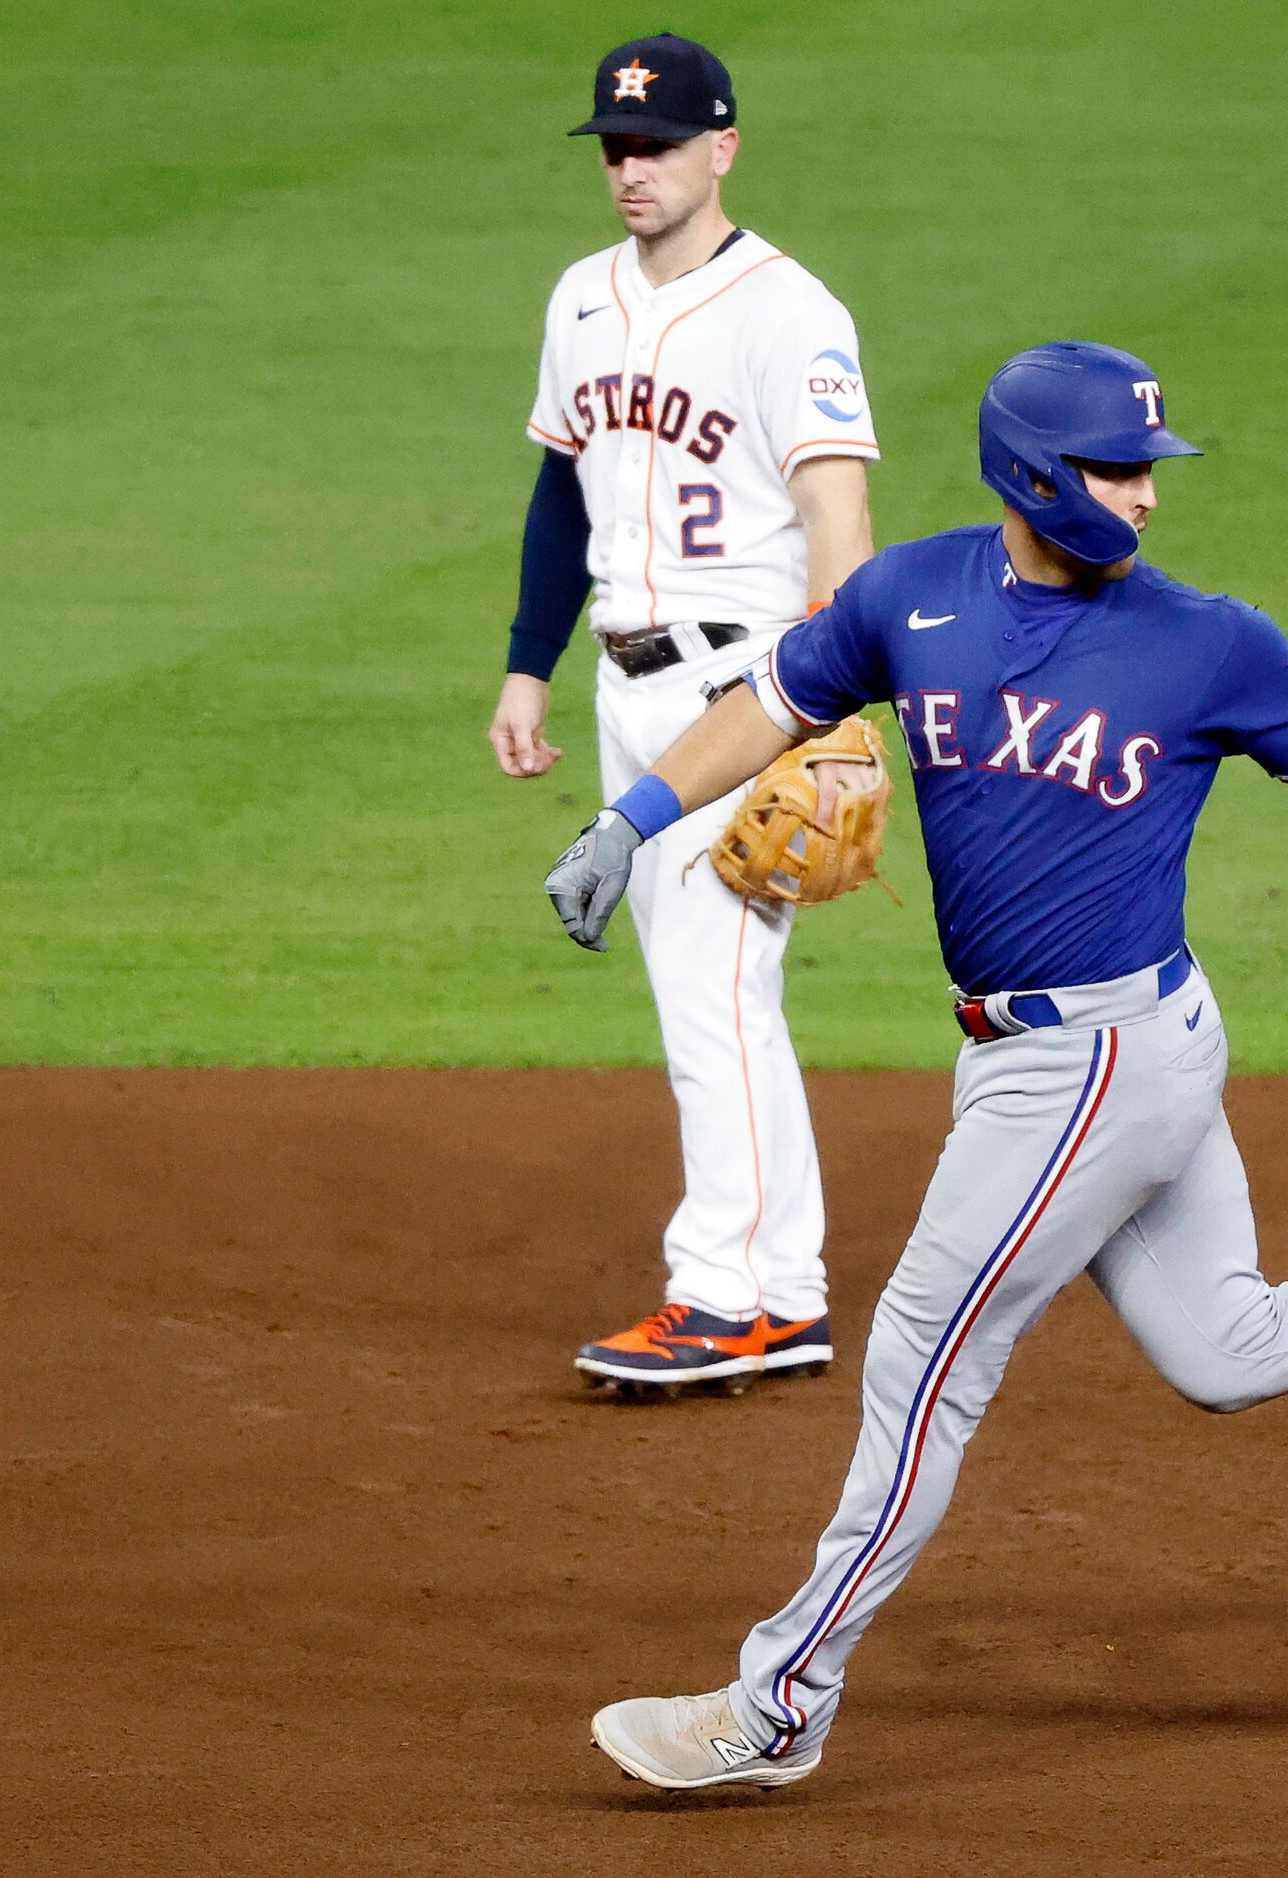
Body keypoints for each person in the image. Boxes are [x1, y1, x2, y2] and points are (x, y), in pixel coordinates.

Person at [544, 341, 1288, 1789]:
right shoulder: (907, 597)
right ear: (1035, 479)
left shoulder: (1209, 639)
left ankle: (782, 1697)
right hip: (1079, 1058)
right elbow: (782, 699)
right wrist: (635, 813)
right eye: (1123, 471)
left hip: (1103, 1062)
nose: (1148, 498)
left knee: (924, 1353)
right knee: (1226, 1346)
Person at [491, 34, 879, 1393]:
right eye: (613, 145)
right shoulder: (580, 300)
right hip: (620, 680)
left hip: (750, 685)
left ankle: (726, 1295)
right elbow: (561, 491)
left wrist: (831, 710)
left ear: (722, 147)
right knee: (713, 996)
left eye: (654, 145)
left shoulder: (791, 310)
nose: (630, 169)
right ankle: (785, 1290)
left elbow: (839, 509)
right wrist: (528, 663)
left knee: (715, 995)